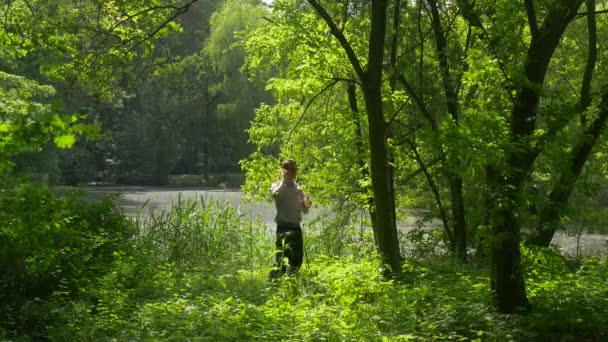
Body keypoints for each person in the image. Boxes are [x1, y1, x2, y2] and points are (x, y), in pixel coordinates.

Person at [269, 159, 312, 278]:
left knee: (297, 259)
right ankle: (273, 282)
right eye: (290, 169)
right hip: (283, 227)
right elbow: (276, 195)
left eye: (294, 169)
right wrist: (284, 181)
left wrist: (306, 204)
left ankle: (292, 281)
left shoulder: (298, 189)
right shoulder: (276, 185)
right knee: (281, 259)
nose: (293, 172)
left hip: (295, 227)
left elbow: (305, 210)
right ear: (283, 170)